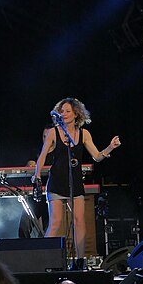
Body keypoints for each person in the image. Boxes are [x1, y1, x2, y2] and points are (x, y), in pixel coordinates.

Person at [32, 98, 121, 265]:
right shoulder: (54, 132)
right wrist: (37, 176)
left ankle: (80, 261)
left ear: (76, 114)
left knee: (79, 221)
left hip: (75, 181)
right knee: (56, 222)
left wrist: (110, 147)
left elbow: (97, 156)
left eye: (67, 111)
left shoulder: (83, 134)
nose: (64, 114)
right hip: (57, 181)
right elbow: (42, 156)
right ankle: (42, 260)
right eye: (62, 111)